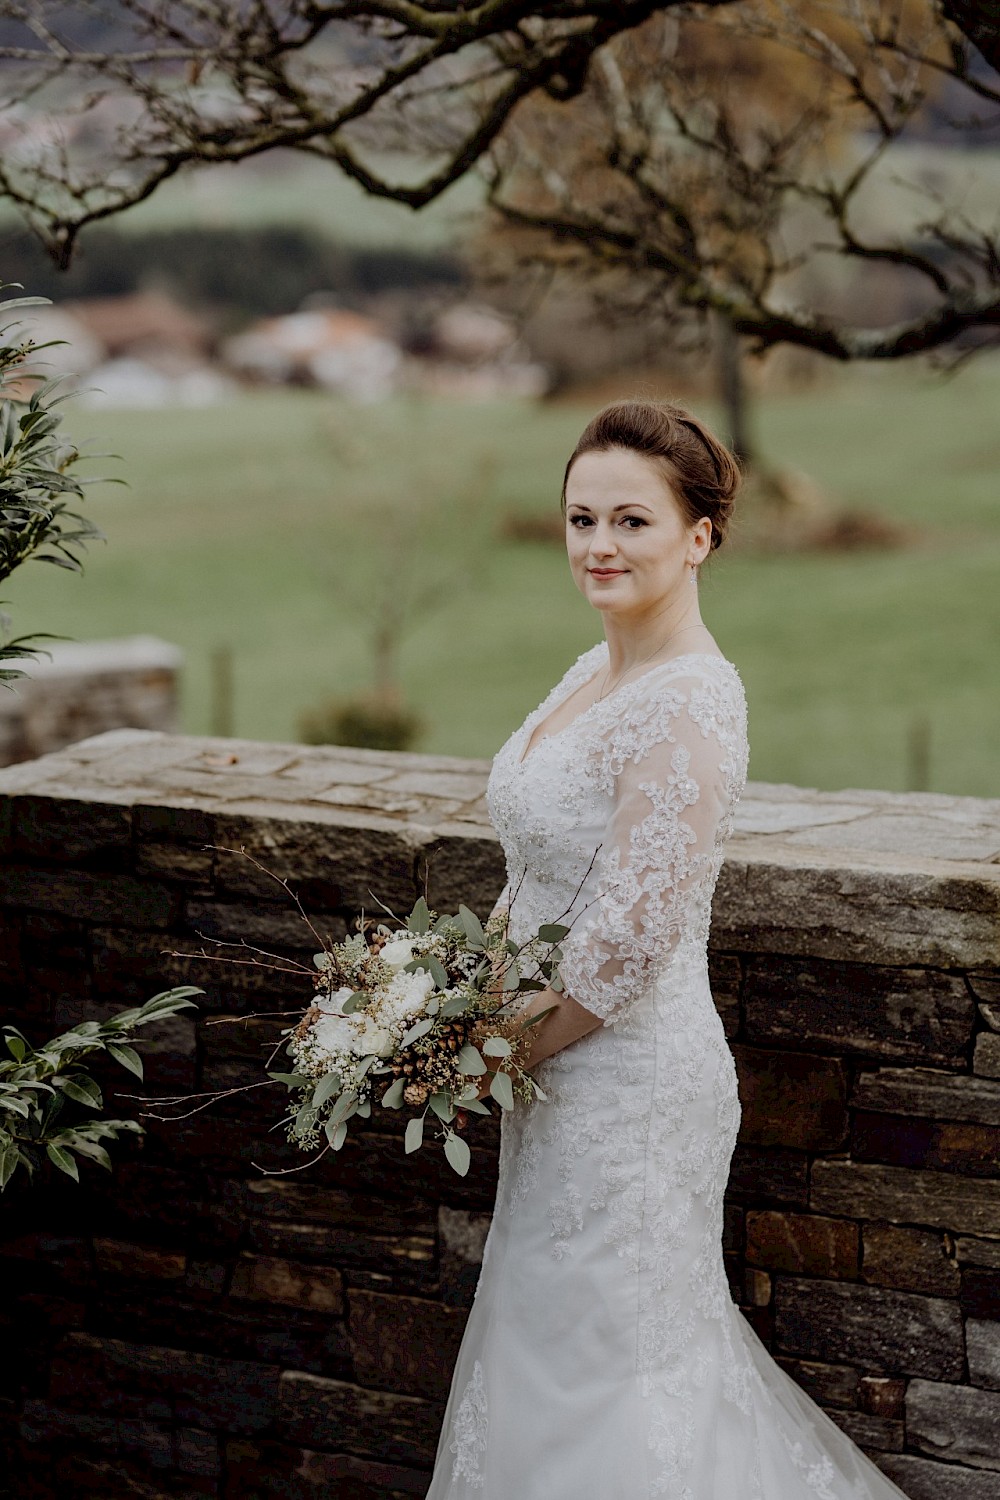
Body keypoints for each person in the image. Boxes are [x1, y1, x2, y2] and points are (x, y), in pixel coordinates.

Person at [424, 399, 909, 1499]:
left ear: (698, 537)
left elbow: (618, 957)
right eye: (580, 518)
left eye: (631, 522)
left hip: (629, 1089)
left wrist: (483, 1057)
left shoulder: (691, 700)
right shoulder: (585, 674)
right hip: (547, 1074)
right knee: (549, 1347)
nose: (598, 545)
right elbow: (533, 876)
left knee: (621, 1363)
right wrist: (448, 1005)